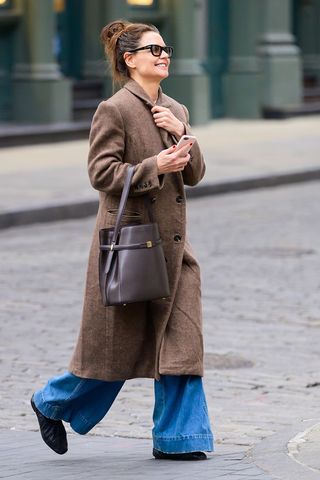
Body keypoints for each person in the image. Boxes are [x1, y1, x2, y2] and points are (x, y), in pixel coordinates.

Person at [31, 19, 214, 461]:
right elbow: (101, 173)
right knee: (113, 352)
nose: (164, 54)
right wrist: (154, 165)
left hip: (174, 251)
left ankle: (180, 439)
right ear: (129, 59)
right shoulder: (114, 109)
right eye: (154, 50)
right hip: (131, 246)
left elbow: (194, 173)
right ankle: (51, 401)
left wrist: (181, 133)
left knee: (182, 347)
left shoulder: (176, 108)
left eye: (166, 48)